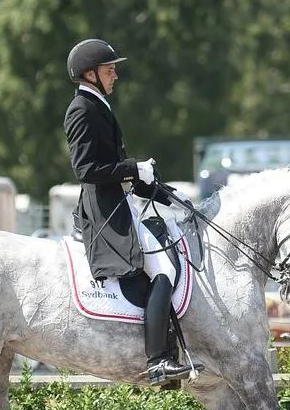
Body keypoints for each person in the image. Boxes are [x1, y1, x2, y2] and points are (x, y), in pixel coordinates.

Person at [63, 38, 195, 385]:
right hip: (104, 210)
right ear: (89, 74)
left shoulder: (98, 105)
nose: (116, 75)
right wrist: (132, 168)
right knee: (163, 269)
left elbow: (115, 169)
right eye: (109, 70)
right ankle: (159, 360)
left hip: (118, 202)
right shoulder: (82, 109)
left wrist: (166, 194)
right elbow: (87, 169)